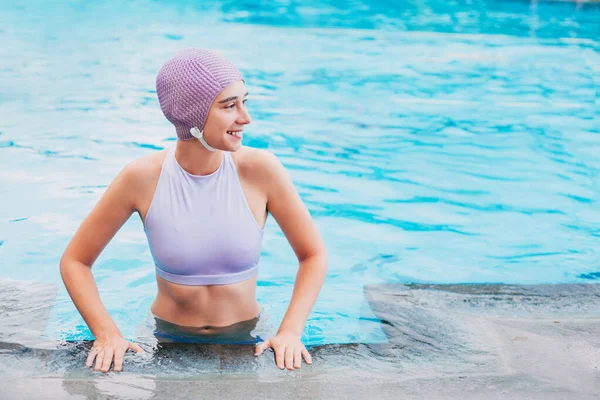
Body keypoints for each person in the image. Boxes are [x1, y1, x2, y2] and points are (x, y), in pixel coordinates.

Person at [60, 48, 328, 373]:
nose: (246, 118)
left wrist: (290, 330)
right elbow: (75, 261)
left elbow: (313, 254)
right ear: (193, 115)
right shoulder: (141, 178)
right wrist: (106, 333)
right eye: (229, 106)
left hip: (249, 337)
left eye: (245, 101)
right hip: (164, 339)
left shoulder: (261, 170)